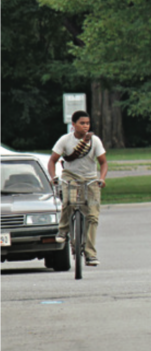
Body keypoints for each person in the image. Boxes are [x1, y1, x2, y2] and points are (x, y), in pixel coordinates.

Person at [48, 110, 108, 266]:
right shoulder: (65, 140)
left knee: (93, 216)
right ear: (73, 125)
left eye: (87, 123)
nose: (85, 126)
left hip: (90, 179)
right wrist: (53, 176)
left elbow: (103, 162)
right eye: (82, 123)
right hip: (71, 178)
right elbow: (52, 160)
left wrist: (101, 178)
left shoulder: (94, 141)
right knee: (68, 202)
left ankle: (90, 254)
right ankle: (63, 230)